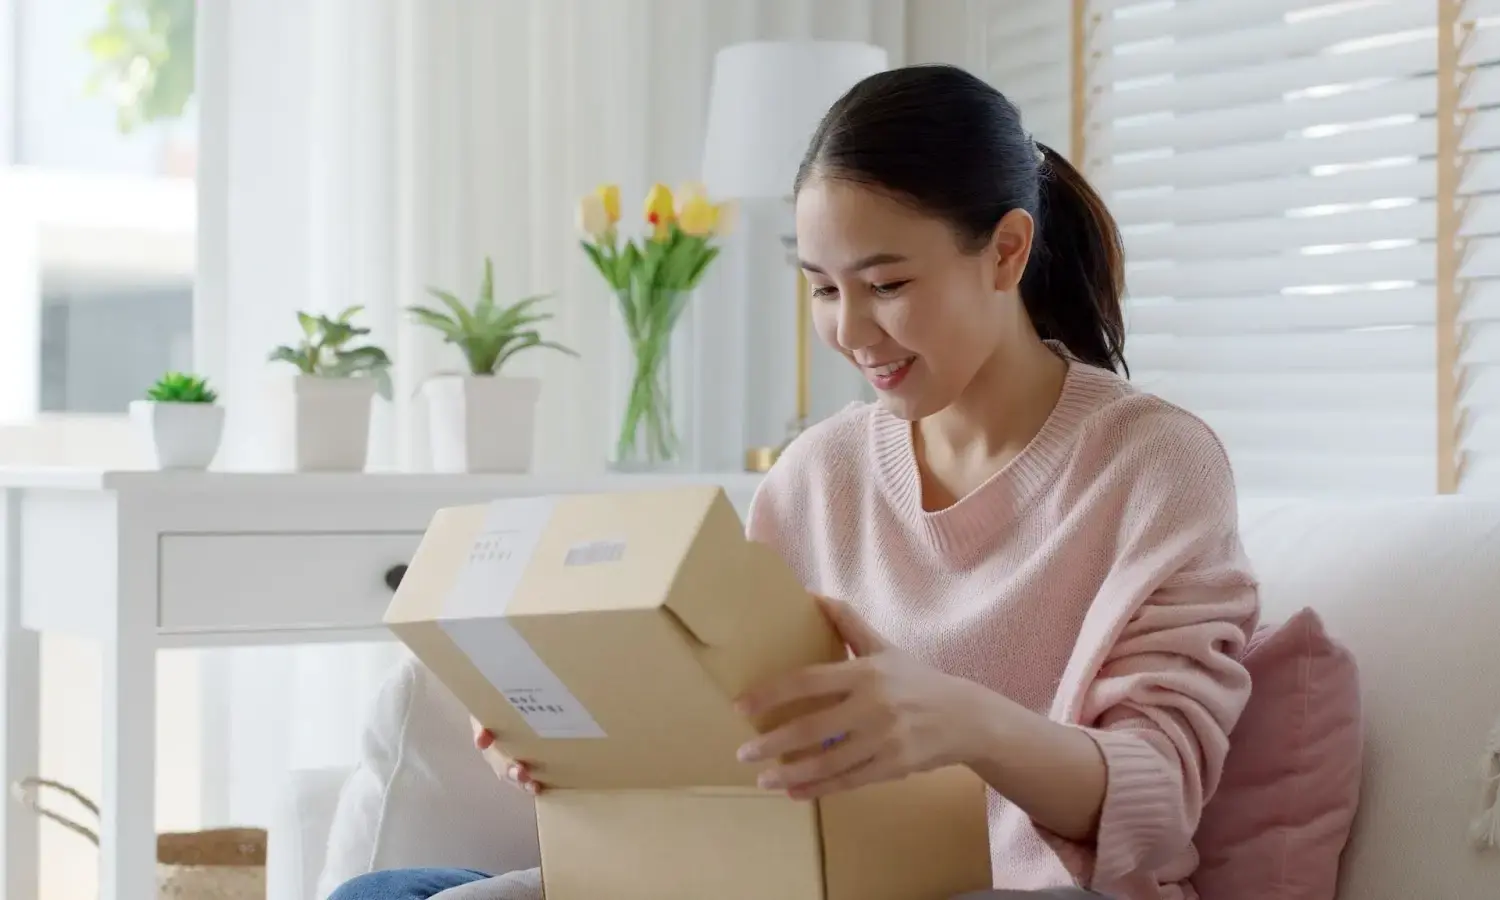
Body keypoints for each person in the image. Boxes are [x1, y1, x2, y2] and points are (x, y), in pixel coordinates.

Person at [330, 62, 1258, 900]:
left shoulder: (1152, 464)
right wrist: (594, 739)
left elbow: (1161, 800)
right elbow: (740, 729)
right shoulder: (821, 473)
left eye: (886, 284)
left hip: (1013, 891)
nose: (852, 333)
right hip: (786, 877)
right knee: (392, 893)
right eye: (822, 288)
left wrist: (962, 723)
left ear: (1007, 252)